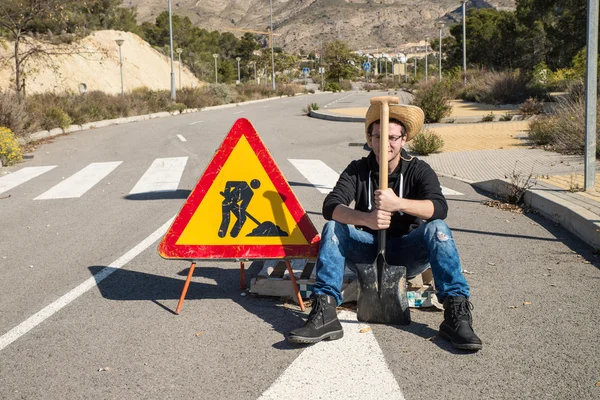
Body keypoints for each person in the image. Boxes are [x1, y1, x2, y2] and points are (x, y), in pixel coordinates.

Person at [288, 103, 483, 351]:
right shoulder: (358, 170)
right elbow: (331, 207)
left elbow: (439, 207)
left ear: (403, 140)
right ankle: (325, 312)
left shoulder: (417, 169)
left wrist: (398, 203)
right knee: (333, 228)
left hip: (407, 251)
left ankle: (456, 314)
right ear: (369, 139)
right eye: (378, 137)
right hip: (366, 251)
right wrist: (366, 219)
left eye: (392, 138)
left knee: (438, 229)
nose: (384, 144)